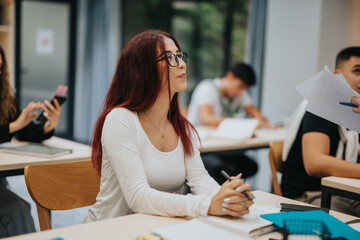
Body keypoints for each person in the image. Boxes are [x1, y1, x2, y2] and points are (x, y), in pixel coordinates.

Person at [84, 30, 253, 223]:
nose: (181, 64)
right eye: (170, 58)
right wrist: (207, 205)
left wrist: (228, 197)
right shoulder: (120, 119)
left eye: (180, 56)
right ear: (142, 70)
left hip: (158, 230)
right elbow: (138, 197)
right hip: (109, 231)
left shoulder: (182, 127)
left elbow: (199, 179)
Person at [281, 46, 360, 217]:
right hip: (305, 198)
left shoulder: (355, 111)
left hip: (338, 192)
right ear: (337, 75)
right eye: (358, 71)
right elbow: (315, 163)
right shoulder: (321, 105)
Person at [0, 46, 62, 237]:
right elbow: (14, 127)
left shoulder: (4, 100)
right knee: (17, 209)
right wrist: (13, 126)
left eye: (0, 68)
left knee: (19, 208)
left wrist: (47, 127)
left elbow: (25, 131)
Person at [186, 63, 272, 183]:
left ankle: (228, 190)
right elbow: (207, 118)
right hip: (200, 145)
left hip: (221, 144)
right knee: (218, 169)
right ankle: (217, 192)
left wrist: (260, 120)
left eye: (245, 89)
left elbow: (256, 114)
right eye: (240, 86)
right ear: (229, 76)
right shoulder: (207, 88)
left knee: (250, 166)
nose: (241, 91)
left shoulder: (239, 94)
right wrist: (243, 123)